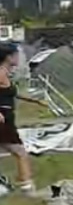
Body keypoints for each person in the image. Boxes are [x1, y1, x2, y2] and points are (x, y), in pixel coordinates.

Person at [0, 42, 47, 192]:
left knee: (17, 151)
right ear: (9, 57)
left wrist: (35, 100)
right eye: (16, 55)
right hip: (3, 119)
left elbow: (12, 93)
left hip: (7, 117)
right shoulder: (0, 73)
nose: (19, 57)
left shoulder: (5, 72)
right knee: (20, 152)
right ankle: (27, 188)